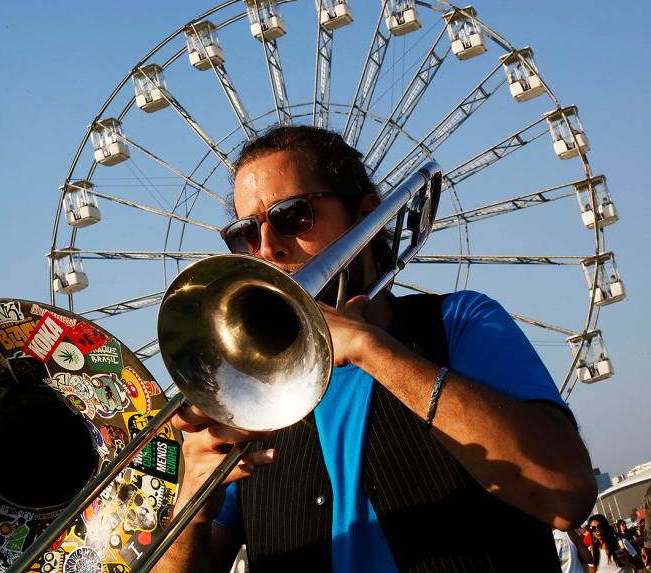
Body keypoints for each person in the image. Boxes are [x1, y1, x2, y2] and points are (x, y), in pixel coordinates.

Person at [153, 126, 597, 572]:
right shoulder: (241, 397)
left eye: (291, 215)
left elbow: (566, 493)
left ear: (367, 217)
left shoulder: (460, 323)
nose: (267, 246)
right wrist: (194, 497)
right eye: (245, 233)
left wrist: (373, 350)